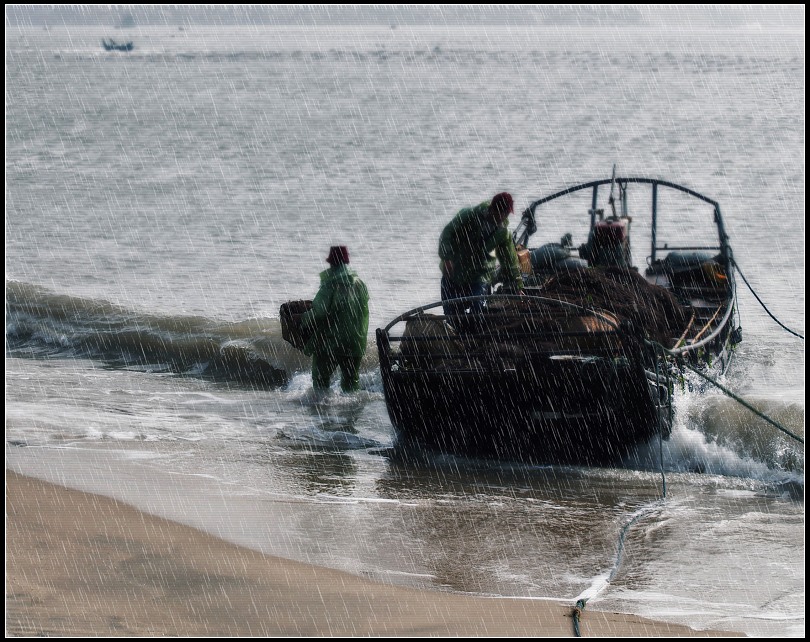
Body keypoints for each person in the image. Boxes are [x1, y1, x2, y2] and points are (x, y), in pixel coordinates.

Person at [438, 192, 524, 317]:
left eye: (506, 213)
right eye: (502, 212)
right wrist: (447, 258)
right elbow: (447, 234)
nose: (504, 217)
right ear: (493, 209)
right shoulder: (468, 215)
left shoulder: (503, 233)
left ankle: (474, 331)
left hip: (480, 275)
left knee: (477, 309)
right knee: (451, 314)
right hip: (453, 272)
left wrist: (517, 285)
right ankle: (456, 330)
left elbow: (510, 260)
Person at [300, 246, 369, 392]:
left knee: (320, 379)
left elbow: (319, 312)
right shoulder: (360, 283)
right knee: (351, 380)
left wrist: (302, 320)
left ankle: (321, 410)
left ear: (331, 263)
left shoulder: (330, 285)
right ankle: (352, 411)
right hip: (355, 340)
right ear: (346, 263)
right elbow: (363, 309)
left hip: (331, 341)